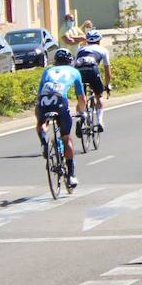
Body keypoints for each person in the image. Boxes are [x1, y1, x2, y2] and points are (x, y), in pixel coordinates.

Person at [34, 49, 88, 189]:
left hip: (44, 100)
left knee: (41, 122)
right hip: (60, 102)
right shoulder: (74, 72)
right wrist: (81, 112)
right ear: (70, 61)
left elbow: (39, 95)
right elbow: (81, 98)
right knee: (66, 138)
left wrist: (39, 115)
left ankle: (43, 140)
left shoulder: (47, 71)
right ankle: (71, 175)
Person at [73, 31, 112, 132]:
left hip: (78, 71)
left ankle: (81, 116)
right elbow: (107, 71)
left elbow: (74, 65)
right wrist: (107, 85)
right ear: (99, 41)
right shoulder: (103, 50)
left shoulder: (80, 49)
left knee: (81, 99)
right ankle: (99, 121)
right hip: (92, 70)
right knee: (99, 96)